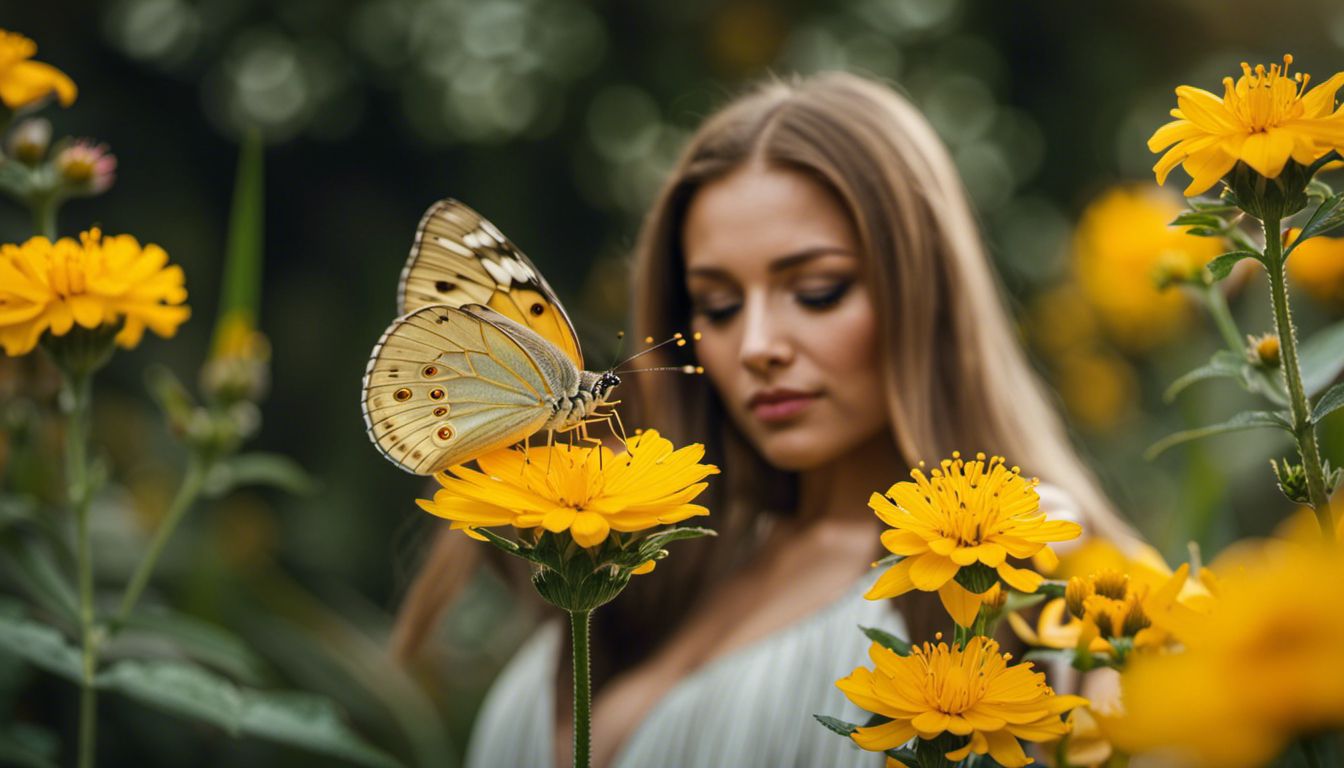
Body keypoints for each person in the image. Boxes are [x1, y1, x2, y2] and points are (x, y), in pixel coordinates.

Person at [392, 72, 1140, 768]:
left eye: (816, 291)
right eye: (717, 307)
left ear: (926, 294)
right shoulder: (652, 552)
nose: (755, 348)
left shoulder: (1035, 560)